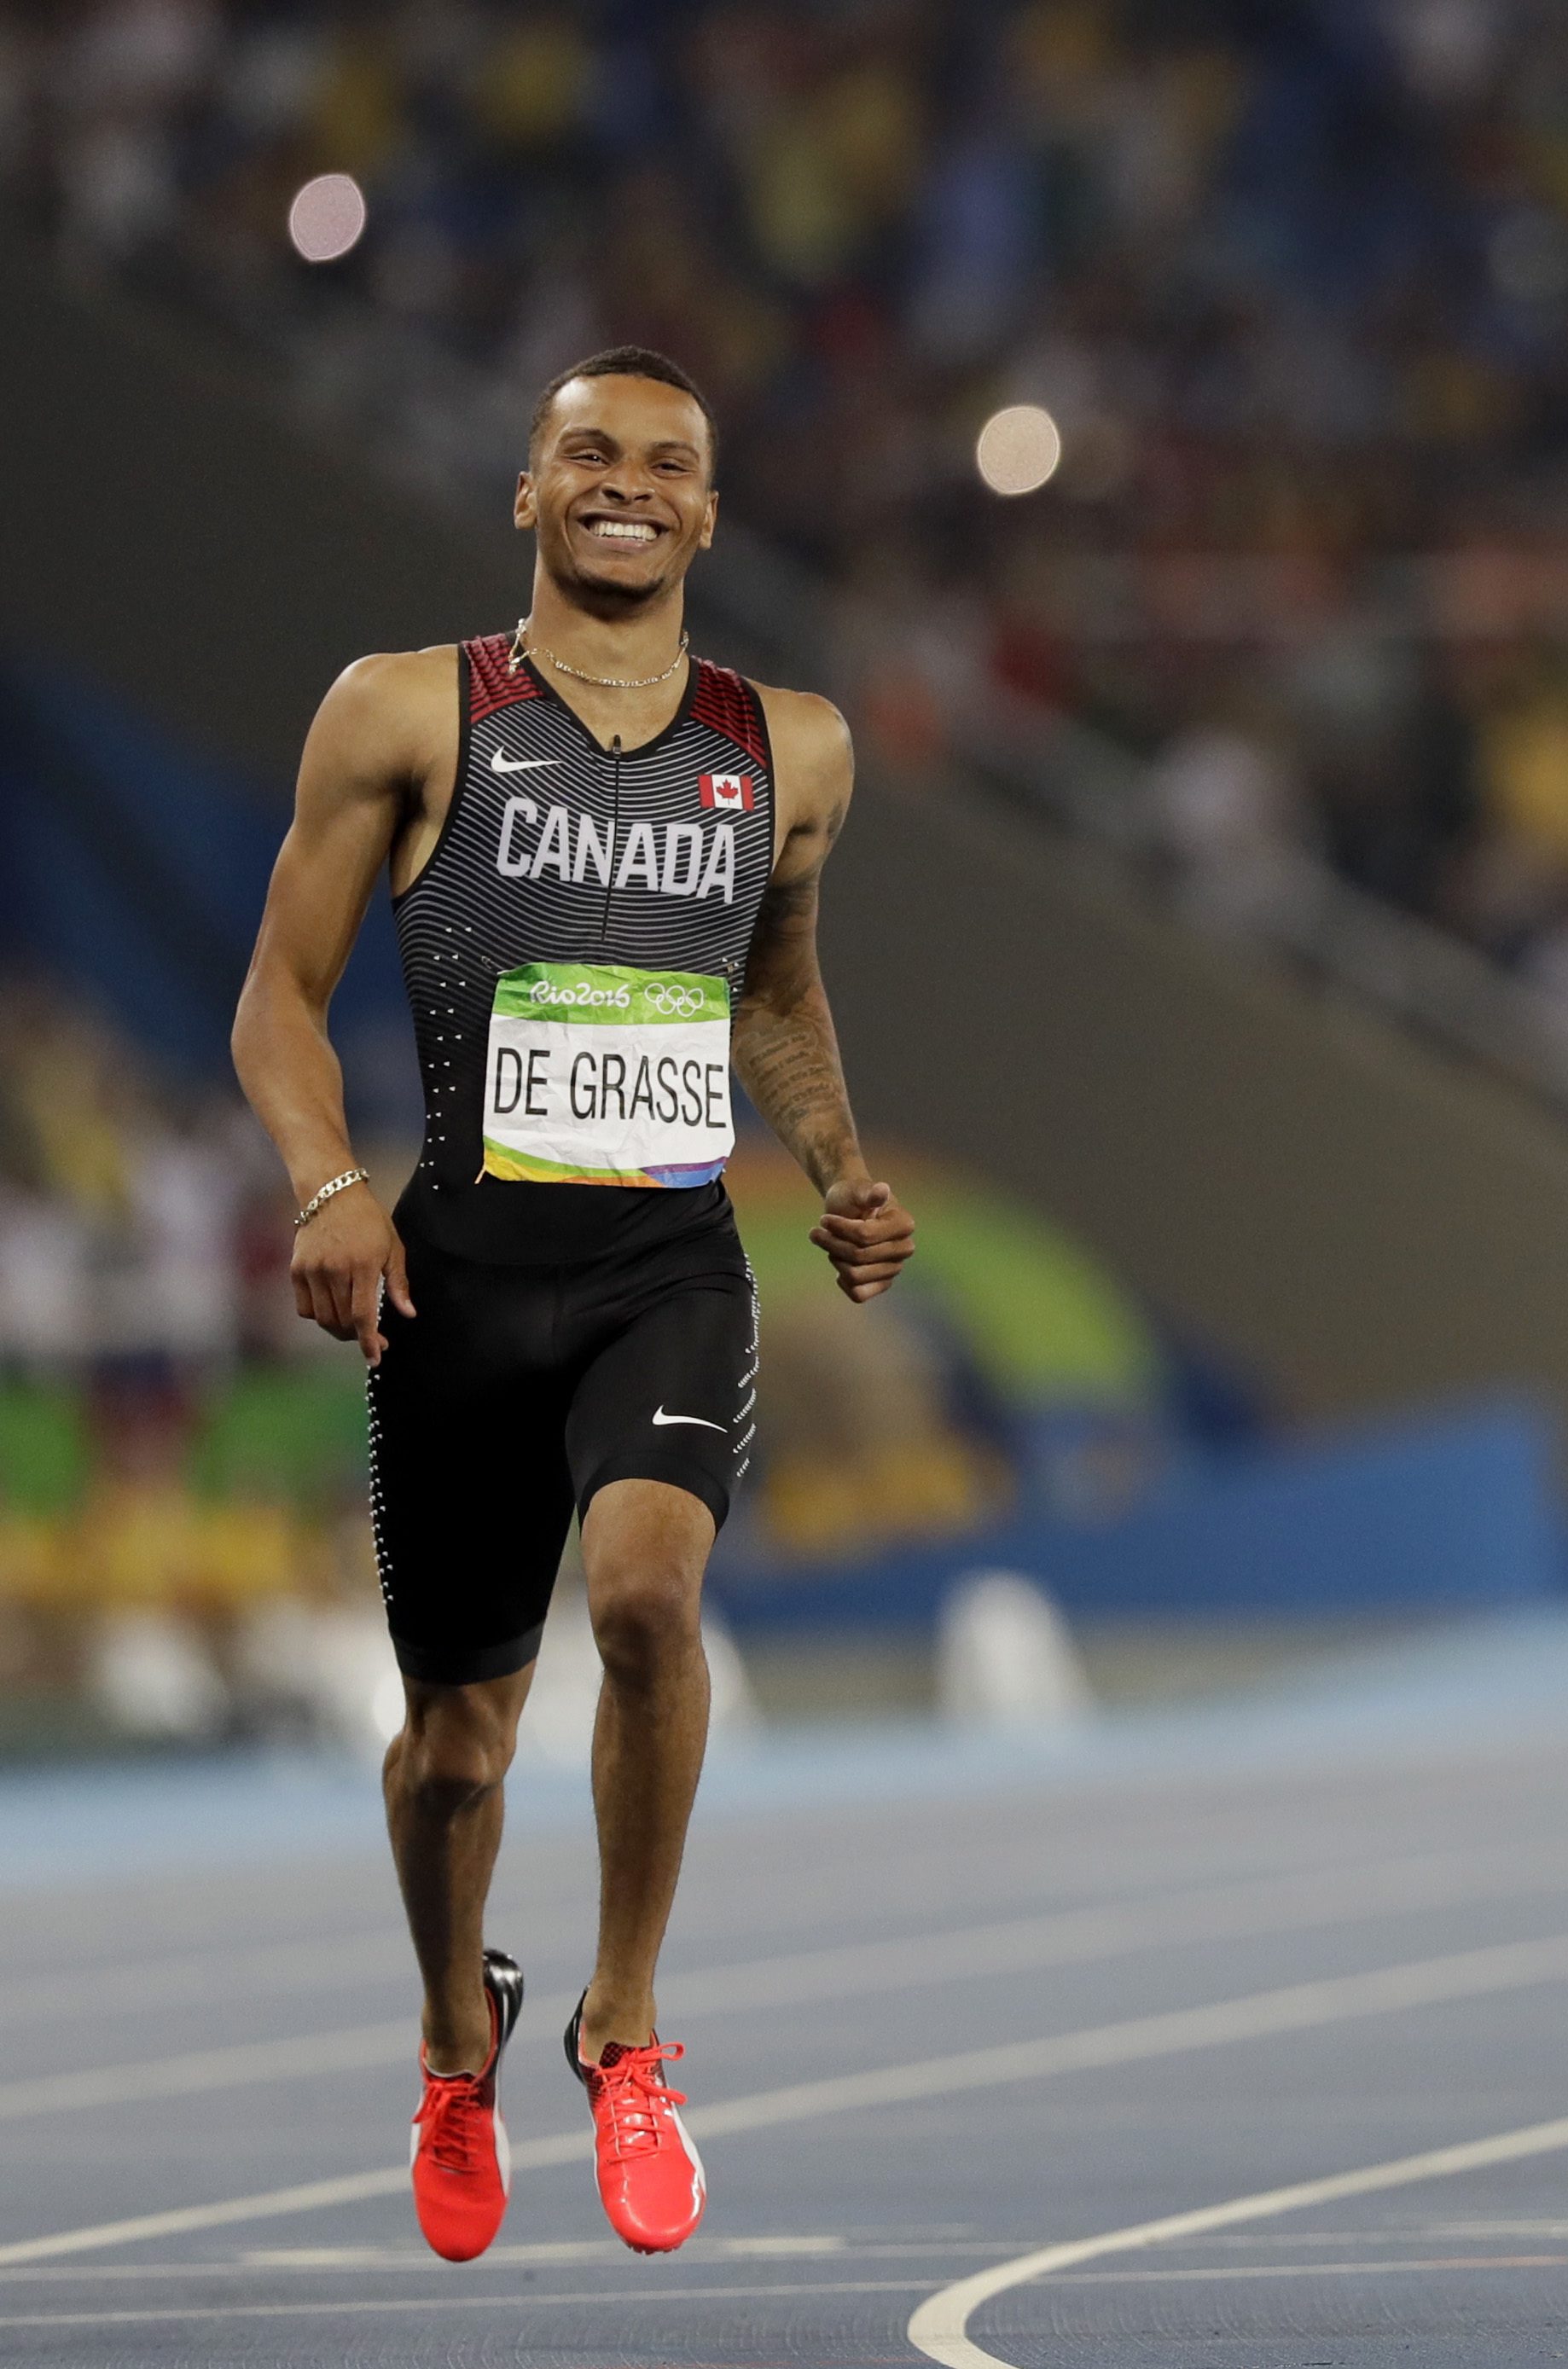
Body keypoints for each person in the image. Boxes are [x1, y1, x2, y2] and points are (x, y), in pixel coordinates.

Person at [232, 347, 917, 2262]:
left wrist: (842, 1167)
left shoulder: (794, 746)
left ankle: (624, 2024)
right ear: (529, 492)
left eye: (668, 463)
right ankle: (463, 2039)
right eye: (589, 455)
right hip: (459, 1280)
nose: (628, 483)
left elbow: (770, 988)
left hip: (663, 1267)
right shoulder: (407, 712)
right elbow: (273, 1000)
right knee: (455, 1747)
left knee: (645, 1598)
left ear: (709, 512)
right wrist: (328, 1184)